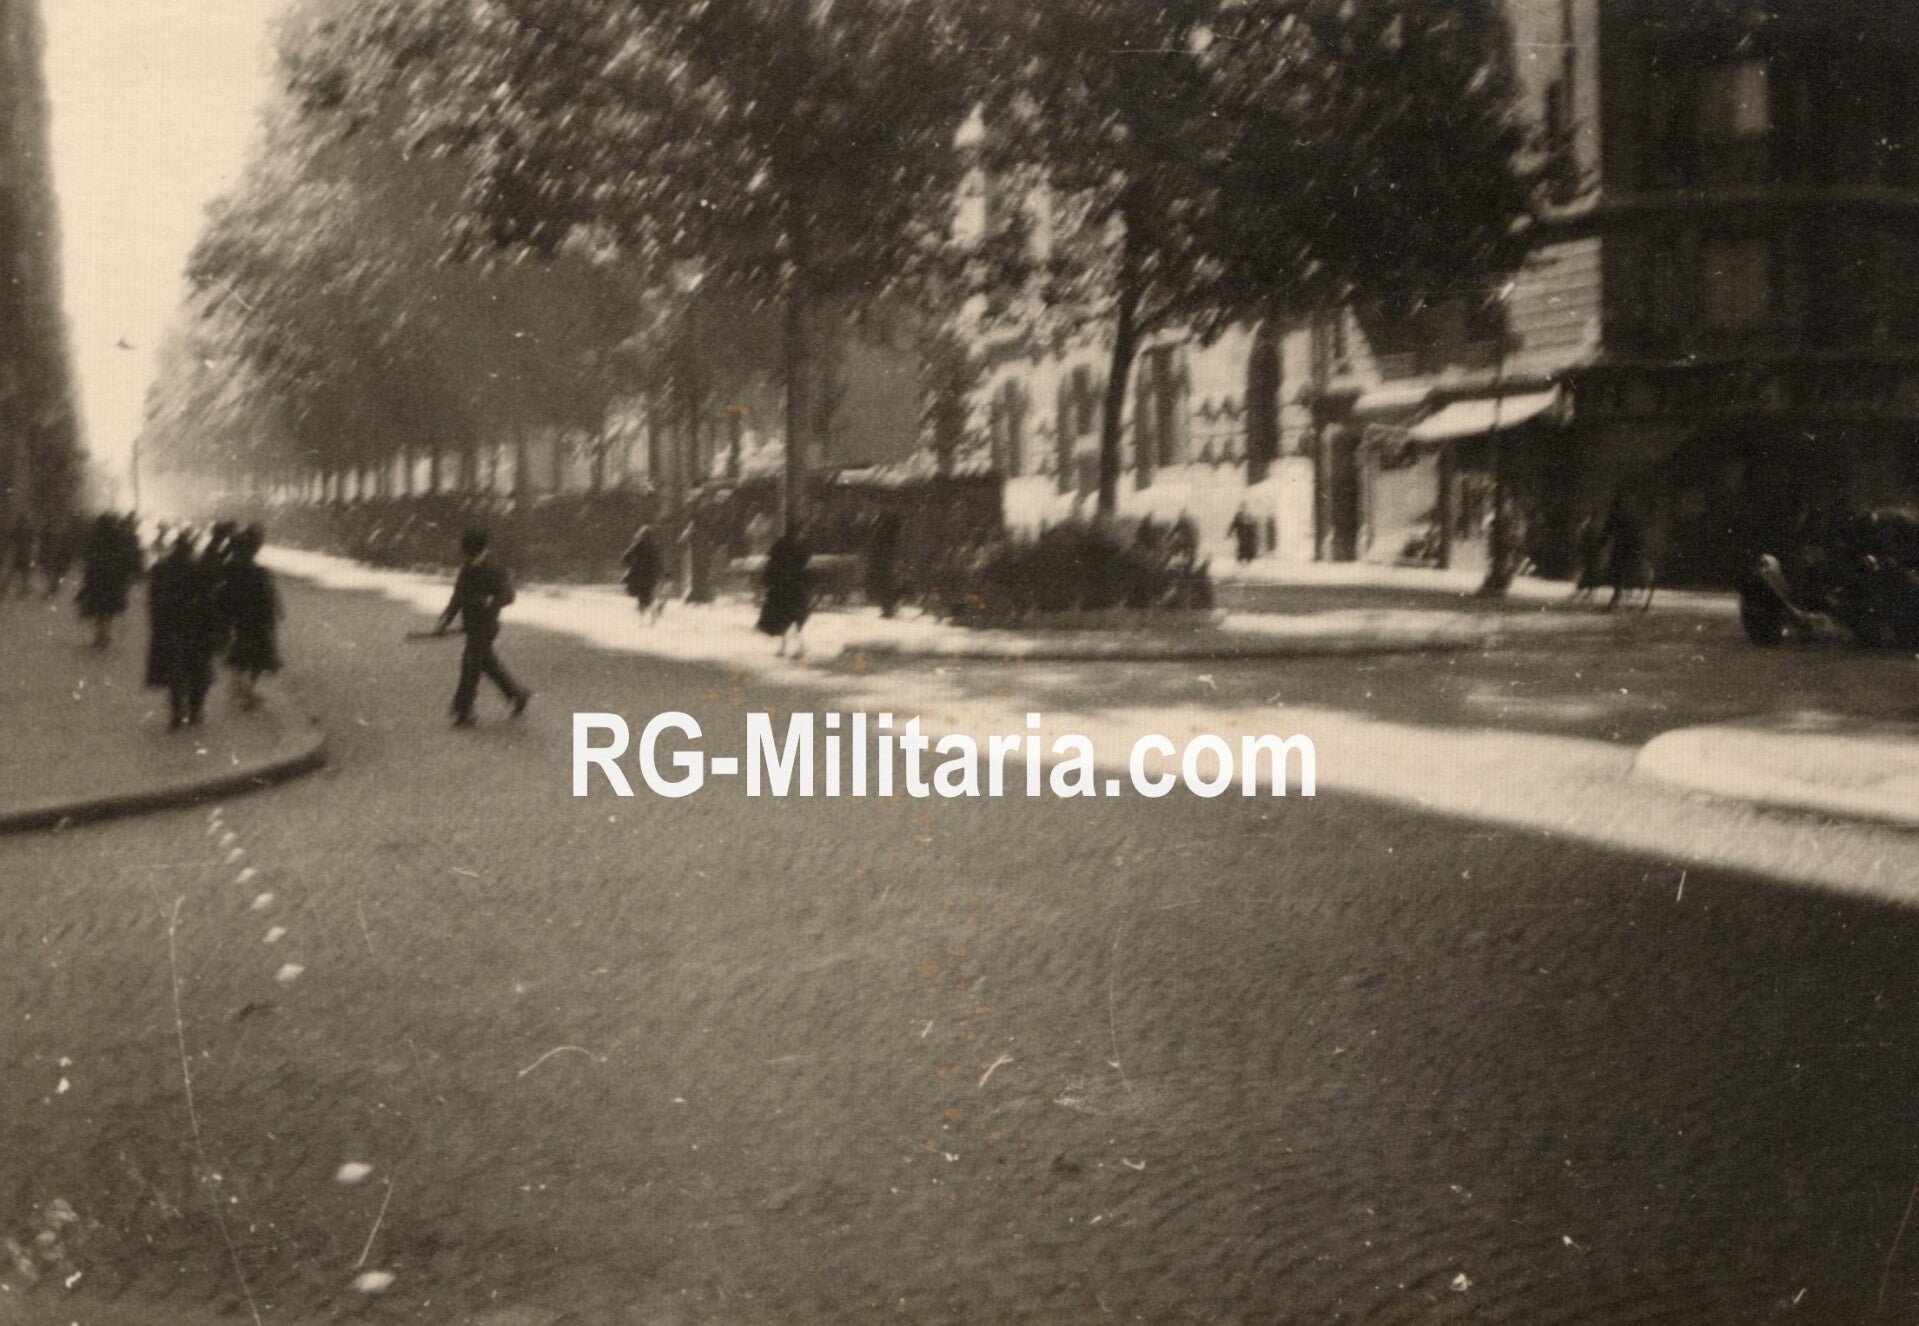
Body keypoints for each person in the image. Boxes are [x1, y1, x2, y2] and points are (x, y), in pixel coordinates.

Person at [433, 529, 531, 727]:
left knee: (470, 666)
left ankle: (464, 711)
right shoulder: (467, 568)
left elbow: (509, 595)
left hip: (486, 627)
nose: (463, 553)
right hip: (472, 625)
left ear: (475, 548)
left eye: (466, 549)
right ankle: (518, 695)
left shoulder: (494, 569)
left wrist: (489, 605)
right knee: (487, 664)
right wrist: (445, 621)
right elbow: (457, 597)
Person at [145, 532, 222, 730]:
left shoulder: (161, 568)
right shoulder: (199, 569)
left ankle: (177, 711)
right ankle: (195, 711)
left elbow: (154, 599)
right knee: (199, 671)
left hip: (171, 627)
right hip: (197, 628)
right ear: (190, 549)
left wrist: (157, 624)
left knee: (175, 672)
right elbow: (209, 600)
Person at [218, 525, 281, 710]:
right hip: (256, 616)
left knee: (243, 648)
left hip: (242, 614)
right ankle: (247, 689)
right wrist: (274, 612)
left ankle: (240, 686)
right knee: (257, 653)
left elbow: (225, 591)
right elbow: (267, 597)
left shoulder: (233, 567)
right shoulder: (258, 572)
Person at [76, 513, 139, 648]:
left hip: (98, 578)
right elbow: (125, 557)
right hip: (113, 578)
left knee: (99, 608)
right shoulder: (118, 537)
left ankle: (101, 634)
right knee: (108, 609)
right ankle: (105, 633)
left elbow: (88, 556)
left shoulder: (96, 537)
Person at [756, 524, 812, 658]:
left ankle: (796, 647)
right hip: (789, 589)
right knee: (789, 620)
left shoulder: (788, 546)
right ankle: (794, 648)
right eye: (801, 532)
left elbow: (771, 567)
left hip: (787, 589)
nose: (803, 535)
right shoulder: (794, 547)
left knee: (789, 620)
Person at [620, 524, 664, 622]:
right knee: (649, 594)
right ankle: (652, 608)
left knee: (641, 596)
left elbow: (626, 557)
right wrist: (660, 572)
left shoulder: (638, 545)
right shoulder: (655, 546)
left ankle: (643, 615)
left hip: (639, 574)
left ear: (641, 535)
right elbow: (659, 561)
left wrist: (629, 564)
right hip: (652, 575)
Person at [865, 510, 903, 619]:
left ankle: (888, 608)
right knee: (888, 584)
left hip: (886, 559)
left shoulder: (884, 528)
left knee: (887, 584)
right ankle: (888, 608)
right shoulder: (885, 526)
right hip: (885, 559)